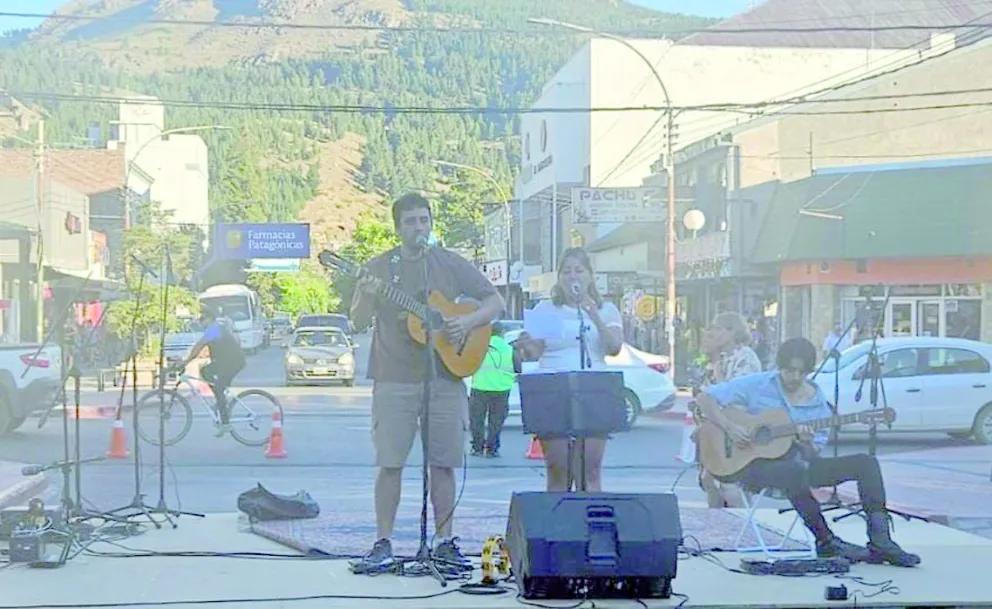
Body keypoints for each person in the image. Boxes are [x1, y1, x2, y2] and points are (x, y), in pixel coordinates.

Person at [348, 192, 505, 572]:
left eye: (424, 220)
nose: (419, 227)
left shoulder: (448, 263)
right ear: (397, 228)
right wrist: (366, 296)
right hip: (393, 377)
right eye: (410, 222)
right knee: (390, 463)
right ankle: (383, 543)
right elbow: (357, 321)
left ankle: (445, 541)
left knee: (444, 463)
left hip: (445, 376)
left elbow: (495, 302)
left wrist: (466, 322)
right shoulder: (379, 268)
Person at [694, 337, 921, 567]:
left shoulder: (816, 401)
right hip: (751, 468)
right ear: (780, 366)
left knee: (865, 463)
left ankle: (881, 541)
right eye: (789, 370)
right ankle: (826, 541)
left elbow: (813, 455)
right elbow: (705, 397)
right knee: (793, 471)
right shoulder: (759, 384)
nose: (794, 377)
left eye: (801, 372)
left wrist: (807, 442)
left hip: (799, 465)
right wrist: (730, 427)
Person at [514, 247, 623, 492]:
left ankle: (589, 513)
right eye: (566, 271)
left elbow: (614, 347)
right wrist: (525, 345)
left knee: (590, 468)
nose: (573, 276)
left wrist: (594, 315)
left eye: (578, 270)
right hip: (553, 389)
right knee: (558, 469)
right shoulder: (545, 309)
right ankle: (558, 515)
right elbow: (535, 352)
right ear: (559, 277)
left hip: (594, 390)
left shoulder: (607, 310)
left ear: (590, 276)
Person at [694, 312, 763, 508]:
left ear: (733, 332)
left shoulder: (745, 358)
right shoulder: (720, 359)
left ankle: (740, 521)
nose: (713, 333)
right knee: (709, 480)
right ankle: (717, 521)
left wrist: (718, 375)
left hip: (737, 427)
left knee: (730, 485)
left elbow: (734, 397)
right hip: (715, 428)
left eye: (719, 329)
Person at [177, 307, 246, 437]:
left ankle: (225, 423)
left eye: (202, 319)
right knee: (206, 371)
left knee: (219, 388)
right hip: (226, 361)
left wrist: (186, 361)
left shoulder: (214, 329)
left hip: (233, 362)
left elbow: (200, 345)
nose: (200, 322)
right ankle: (220, 401)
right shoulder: (217, 328)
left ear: (210, 318)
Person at [468, 321, 516, 458]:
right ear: (502, 333)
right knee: (496, 421)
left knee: (477, 419)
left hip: (480, 387)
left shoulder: (479, 348)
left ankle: (477, 447)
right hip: (502, 389)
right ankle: (492, 449)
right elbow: (518, 367)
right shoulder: (509, 349)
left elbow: (469, 364)